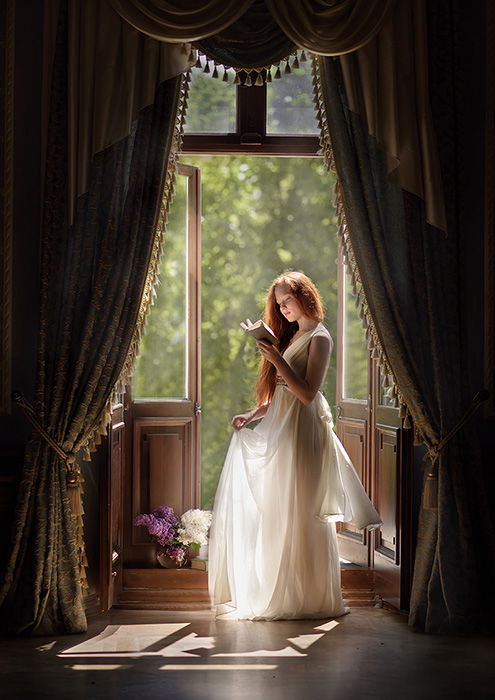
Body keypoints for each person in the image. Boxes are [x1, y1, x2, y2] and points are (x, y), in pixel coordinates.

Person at [208, 271, 382, 620]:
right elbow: (283, 393)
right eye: (279, 303)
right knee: (280, 507)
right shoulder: (293, 335)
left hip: (304, 430)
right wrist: (253, 413)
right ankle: (281, 591)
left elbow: (305, 394)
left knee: (302, 509)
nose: (283, 308)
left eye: (287, 301)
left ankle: (310, 598)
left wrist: (276, 360)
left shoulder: (320, 337)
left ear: (305, 296)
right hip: (282, 425)